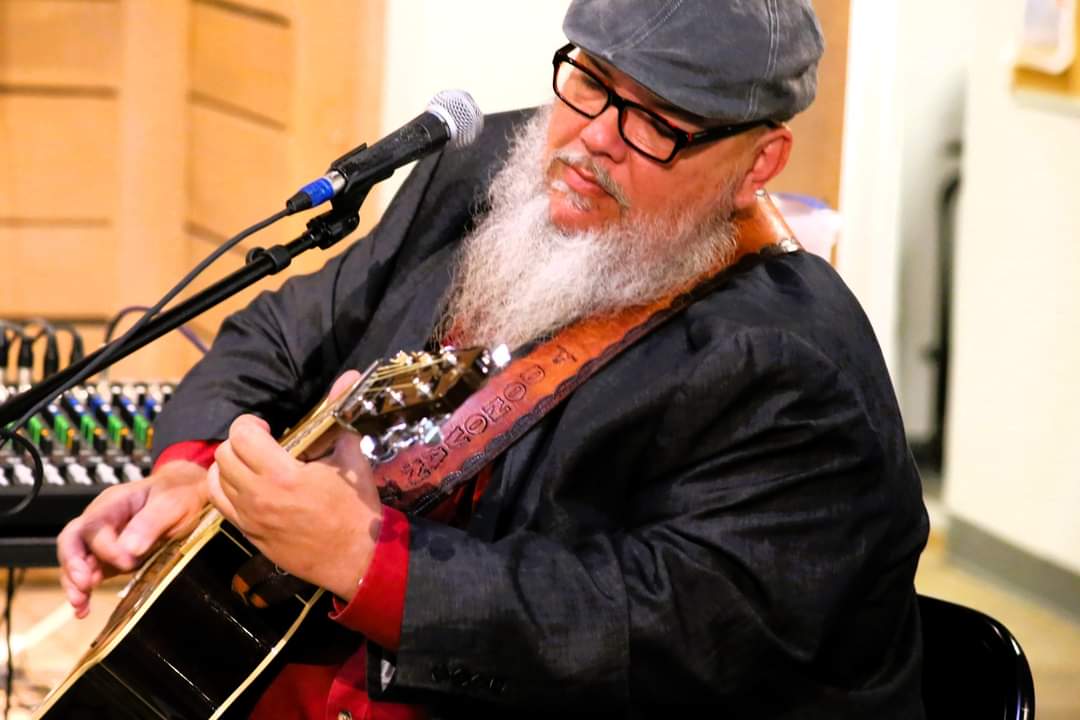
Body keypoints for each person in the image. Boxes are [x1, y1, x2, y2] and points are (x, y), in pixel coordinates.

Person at [56, 1, 930, 717]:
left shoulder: (794, 368)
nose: (594, 138)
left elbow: (661, 631)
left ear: (758, 162)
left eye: (658, 124)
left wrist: (366, 562)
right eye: (588, 82)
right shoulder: (477, 170)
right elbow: (281, 334)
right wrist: (190, 476)